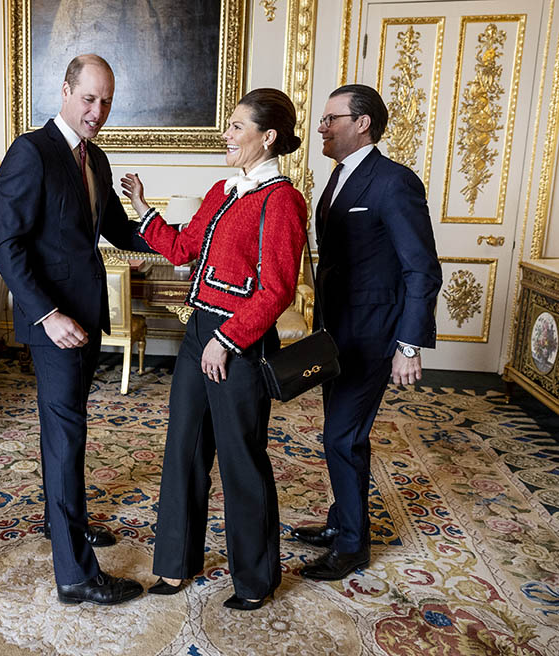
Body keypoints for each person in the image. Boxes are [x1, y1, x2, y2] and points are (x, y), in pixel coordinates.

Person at [121, 88, 307, 610]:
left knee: (241, 459)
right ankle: (176, 565)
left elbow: (277, 289)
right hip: (198, 332)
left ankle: (255, 580)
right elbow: (182, 248)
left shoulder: (282, 201)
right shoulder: (222, 190)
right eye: (227, 124)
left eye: (236, 126)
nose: (225, 135)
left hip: (240, 343)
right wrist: (142, 208)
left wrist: (227, 342)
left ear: (267, 137)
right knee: (183, 448)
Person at [0, 54, 150, 606]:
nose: (98, 111)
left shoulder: (98, 160)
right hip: (52, 323)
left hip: (87, 319)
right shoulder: (29, 153)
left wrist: (181, 233)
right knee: (66, 438)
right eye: (88, 98)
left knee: (69, 434)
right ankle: (76, 575)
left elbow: (118, 232)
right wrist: (45, 315)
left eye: (106, 102)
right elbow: (6, 247)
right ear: (64, 91)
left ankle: (65, 524)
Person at [294, 84, 441, 580]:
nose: (321, 126)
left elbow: (421, 269)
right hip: (337, 331)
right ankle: (341, 522)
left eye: (331, 117)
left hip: (377, 334)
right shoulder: (335, 179)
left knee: (341, 435)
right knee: (341, 432)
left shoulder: (394, 182)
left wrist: (408, 345)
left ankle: (354, 546)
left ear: (363, 123)